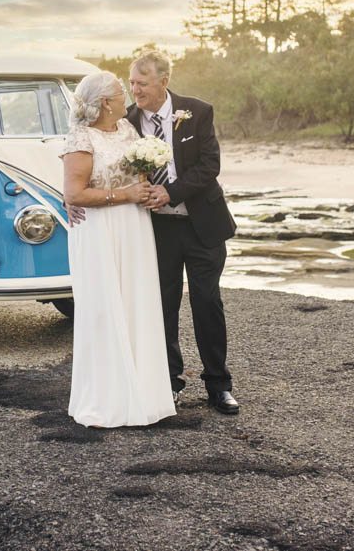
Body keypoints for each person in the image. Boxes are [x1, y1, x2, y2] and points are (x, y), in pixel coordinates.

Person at [60, 70, 176, 428]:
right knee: (104, 309)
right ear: (105, 102)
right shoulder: (80, 138)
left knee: (136, 305)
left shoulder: (126, 130)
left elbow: (135, 175)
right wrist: (124, 195)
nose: (126, 93)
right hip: (98, 231)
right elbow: (74, 194)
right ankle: (106, 401)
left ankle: (145, 396)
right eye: (120, 90)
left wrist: (140, 188)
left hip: (134, 228)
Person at [127, 50, 239, 415]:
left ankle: (219, 386)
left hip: (202, 226)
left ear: (164, 82)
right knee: (162, 306)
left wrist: (171, 191)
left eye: (141, 84)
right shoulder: (126, 122)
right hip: (157, 230)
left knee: (207, 302)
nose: (135, 90)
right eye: (131, 83)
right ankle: (169, 383)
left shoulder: (197, 111)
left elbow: (211, 165)